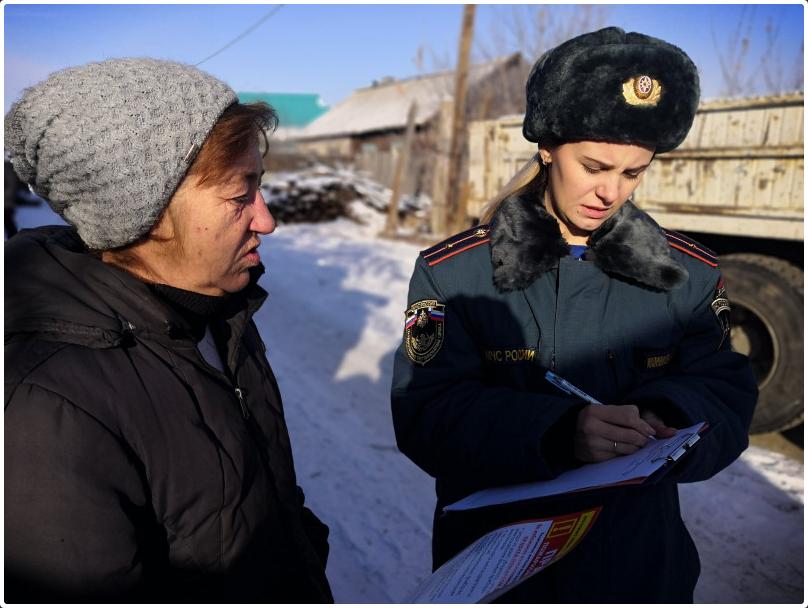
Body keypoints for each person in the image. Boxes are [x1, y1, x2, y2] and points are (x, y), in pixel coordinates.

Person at [391, 27, 757, 603]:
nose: (610, 192)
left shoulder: (688, 273)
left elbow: (726, 389)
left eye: (632, 172)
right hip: (507, 570)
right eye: (593, 166)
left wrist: (663, 415)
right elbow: (427, 413)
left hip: (638, 567)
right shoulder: (456, 273)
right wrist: (559, 432)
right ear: (546, 148)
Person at [5, 58, 333, 603]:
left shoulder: (216, 315)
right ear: (144, 215)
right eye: (239, 195)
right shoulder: (45, 411)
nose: (267, 219)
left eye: (261, 187)